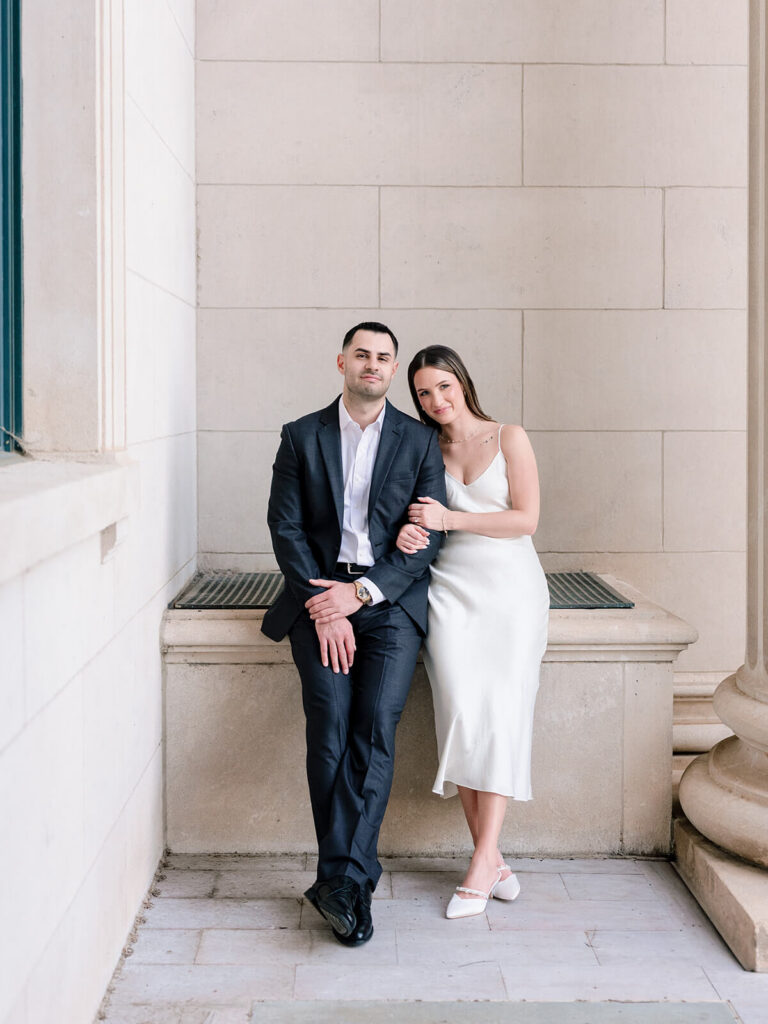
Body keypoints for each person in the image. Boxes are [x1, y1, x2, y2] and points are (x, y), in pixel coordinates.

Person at [261, 323, 446, 946]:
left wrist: (363, 593)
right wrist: (325, 603)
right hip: (318, 598)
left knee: (373, 726)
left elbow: (429, 534)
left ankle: (339, 879)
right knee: (331, 726)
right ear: (342, 361)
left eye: (383, 358)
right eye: (362, 354)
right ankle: (350, 880)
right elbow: (284, 527)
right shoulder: (300, 435)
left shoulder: (420, 442)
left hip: (388, 603)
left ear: (393, 371)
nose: (372, 364)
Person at [397, 345, 549, 919]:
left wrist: (449, 518)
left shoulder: (509, 436)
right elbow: (404, 517)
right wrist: (412, 534)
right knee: (460, 714)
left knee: (504, 716)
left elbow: (526, 520)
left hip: (511, 593)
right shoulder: (420, 448)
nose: (435, 401)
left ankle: (482, 861)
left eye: (443, 387)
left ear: (462, 381)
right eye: (423, 393)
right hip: (449, 594)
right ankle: (494, 862)